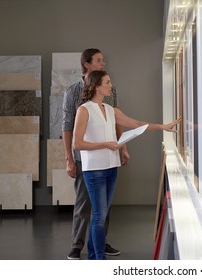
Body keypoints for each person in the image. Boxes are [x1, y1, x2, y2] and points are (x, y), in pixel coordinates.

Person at [73, 70, 180, 260]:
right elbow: (77, 144)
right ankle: (98, 259)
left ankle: (92, 255)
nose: (110, 85)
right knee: (98, 215)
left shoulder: (111, 110)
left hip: (111, 167)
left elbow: (137, 123)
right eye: (107, 82)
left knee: (102, 216)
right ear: (97, 86)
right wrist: (106, 144)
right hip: (94, 170)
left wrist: (162, 126)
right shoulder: (84, 110)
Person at [62, 48, 129, 260]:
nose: (103, 63)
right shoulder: (73, 92)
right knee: (84, 204)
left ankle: (100, 242)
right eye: (99, 60)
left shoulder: (111, 90)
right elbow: (67, 128)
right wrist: (69, 159)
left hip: (108, 157)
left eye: (103, 60)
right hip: (85, 159)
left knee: (104, 207)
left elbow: (116, 120)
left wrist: (123, 146)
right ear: (87, 65)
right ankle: (76, 245)